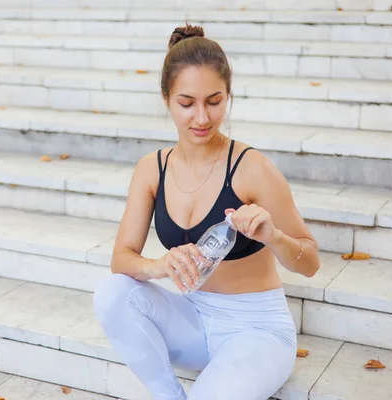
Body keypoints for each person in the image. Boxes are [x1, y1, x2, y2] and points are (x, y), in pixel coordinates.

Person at [93, 23, 321, 400]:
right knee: (112, 293)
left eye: (214, 102)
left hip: (256, 330)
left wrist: (273, 237)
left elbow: (310, 262)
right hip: (193, 319)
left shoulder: (252, 167)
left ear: (228, 96)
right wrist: (159, 266)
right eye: (187, 103)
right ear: (166, 98)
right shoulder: (152, 168)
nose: (201, 117)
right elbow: (121, 258)